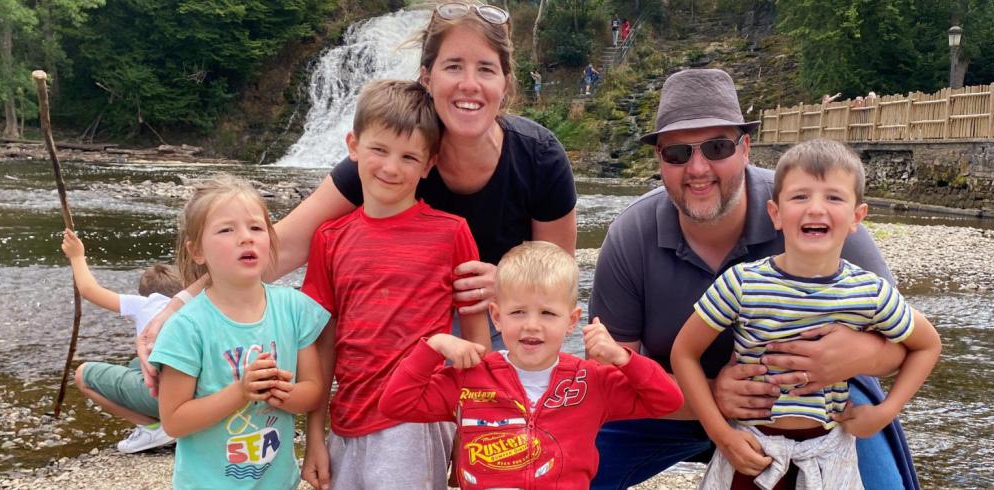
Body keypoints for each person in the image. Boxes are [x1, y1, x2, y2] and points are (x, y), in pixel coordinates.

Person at [137, 0, 576, 392]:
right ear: (427, 77)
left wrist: (503, 280)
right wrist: (179, 305)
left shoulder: (538, 157)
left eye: (485, 69)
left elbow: (559, 273)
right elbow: (284, 244)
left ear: (505, 83)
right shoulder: (390, 161)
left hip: (504, 322)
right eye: (453, 66)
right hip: (408, 331)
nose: (469, 84)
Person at [588, 68, 921, 489]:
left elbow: (905, 346)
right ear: (659, 162)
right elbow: (606, 378)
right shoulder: (630, 235)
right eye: (677, 153)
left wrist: (857, 356)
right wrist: (711, 399)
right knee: (563, 461)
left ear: (745, 149)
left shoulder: (810, 215)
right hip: (669, 407)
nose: (697, 168)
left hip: (816, 405)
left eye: (717, 147)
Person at [672, 139, 942, 489]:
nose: (816, 209)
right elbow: (684, 352)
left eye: (833, 197)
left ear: (857, 217)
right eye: (800, 197)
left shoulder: (870, 292)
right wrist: (720, 432)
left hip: (829, 455)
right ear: (776, 214)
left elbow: (927, 345)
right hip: (752, 451)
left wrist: (885, 411)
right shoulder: (742, 283)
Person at [299, 79, 492, 490]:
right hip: (346, 420)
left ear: (428, 164)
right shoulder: (328, 240)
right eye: (379, 150)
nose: (390, 168)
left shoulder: (452, 233)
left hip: (416, 420)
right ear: (353, 145)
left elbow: (476, 341)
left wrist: (471, 431)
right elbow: (322, 346)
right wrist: (315, 436)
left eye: (408, 157)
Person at [379, 241, 684, 489]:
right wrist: (433, 348)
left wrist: (623, 358)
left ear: (572, 321)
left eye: (548, 314)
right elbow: (395, 404)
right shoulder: (469, 378)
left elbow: (668, 400)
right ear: (497, 317)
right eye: (519, 312)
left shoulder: (593, 381)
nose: (532, 326)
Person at [149, 175, 329, 489]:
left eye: (256, 228)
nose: (245, 238)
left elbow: (313, 391)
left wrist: (284, 393)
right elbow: (174, 420)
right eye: (226, 230)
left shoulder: (294, 309)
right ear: (197, 251)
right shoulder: (187, 327)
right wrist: (240, 392)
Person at [61, 229, 181, 454]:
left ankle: (153, 428)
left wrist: (77, 256)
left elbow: (89, 290)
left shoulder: (144, 304)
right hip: (191, 395)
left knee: (83, 374)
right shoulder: (193, 304)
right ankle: (172, 422)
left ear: (143, 294)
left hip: (168, 397)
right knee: (137, 364)